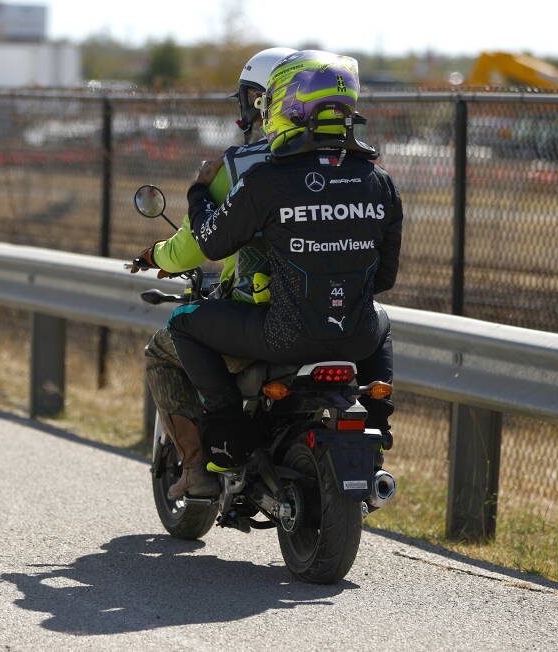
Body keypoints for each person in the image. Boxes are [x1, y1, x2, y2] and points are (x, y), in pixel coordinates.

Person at [167, 50, 402, 471]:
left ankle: (228, 434)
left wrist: (197, 194)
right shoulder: (378, 180)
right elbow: (383, 276)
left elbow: (212, 243)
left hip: (281, 336)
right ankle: (378, 424)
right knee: (380, 316)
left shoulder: (266, 178)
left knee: (181, 323)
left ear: (286, 105)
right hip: (357, 335)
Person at [132, 47, 298, 499]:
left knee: (165, 348)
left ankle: (197, 467)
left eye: (247, 99)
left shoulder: (242, 167)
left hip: (259, 317)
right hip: (333, 316)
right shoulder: (350, 166)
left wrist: (156, 255)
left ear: (261, 103)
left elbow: (194, 246)